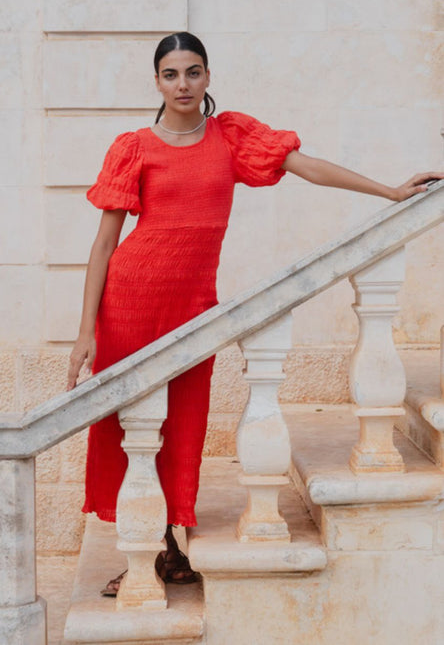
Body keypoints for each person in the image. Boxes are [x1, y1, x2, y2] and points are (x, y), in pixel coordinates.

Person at [67, 31, 442, 595]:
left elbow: (307, 166)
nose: (183, 84)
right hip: (129, 301)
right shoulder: (134, 147)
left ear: (208, 77)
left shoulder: (231, 136)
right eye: (171, 75)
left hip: (193, 306)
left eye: (193, 72)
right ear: (157, 82)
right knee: (131, 428)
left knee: (184, 422)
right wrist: (83, 333)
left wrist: (388, 193)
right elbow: (103, 245)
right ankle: (143, 555)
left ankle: (169, 546)